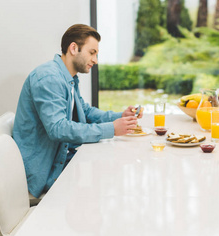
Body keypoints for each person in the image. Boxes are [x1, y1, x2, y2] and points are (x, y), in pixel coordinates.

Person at [13, 24, 141, 198]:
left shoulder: (68, 77)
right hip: (44, 172)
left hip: (61, 159)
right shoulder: (49, 78)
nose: (95, 60)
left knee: (114, 170)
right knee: (112, 181)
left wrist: (120, 117)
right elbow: (58, 128)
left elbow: (85, 112)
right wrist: (111, 129)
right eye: (92, 52)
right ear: (73, 48)